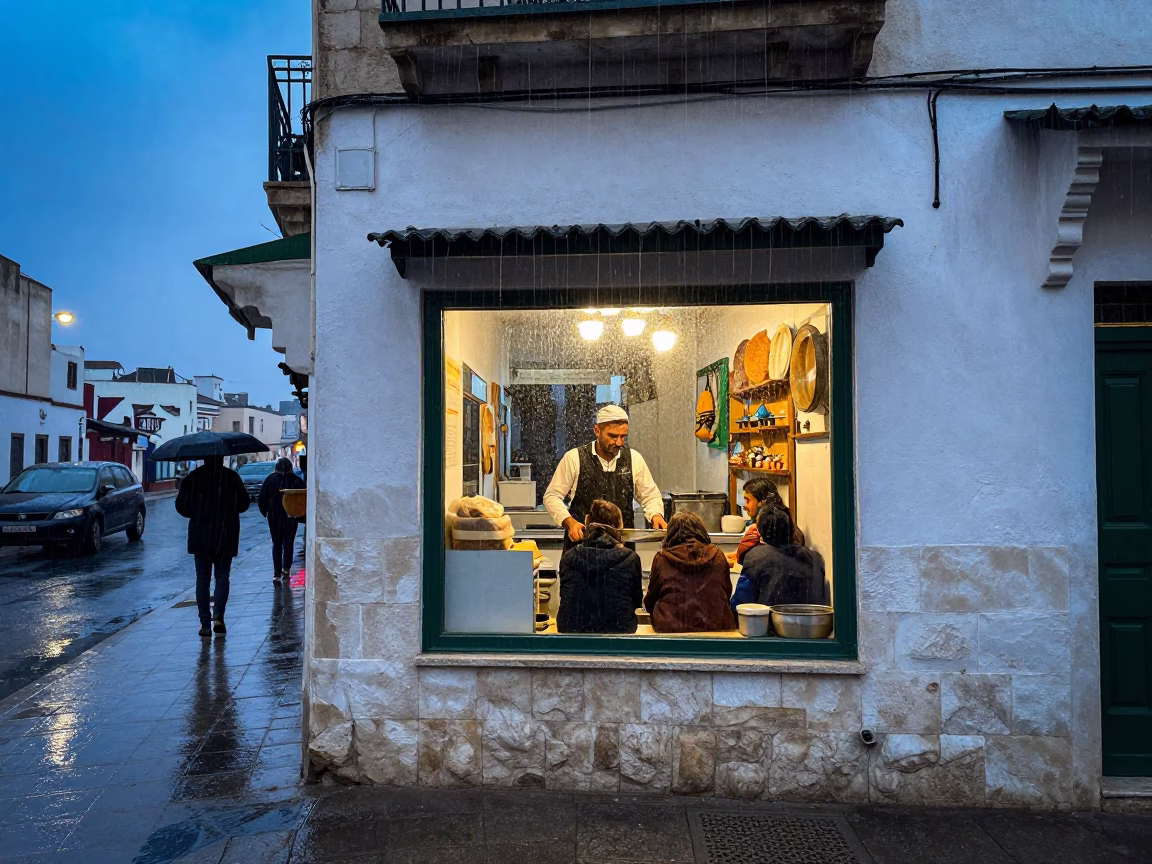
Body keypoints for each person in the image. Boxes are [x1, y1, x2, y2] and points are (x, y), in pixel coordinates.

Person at [543, 404, 667, 550]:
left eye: (623, 436)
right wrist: (569, 521)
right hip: (581, 550)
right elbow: (552, 496)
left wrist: (656, 515)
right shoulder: (574, 458)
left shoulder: (634, 459)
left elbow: (650, 495)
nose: (619, 442)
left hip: (622, 551)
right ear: (597, 430)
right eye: (613, 436)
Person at [175, 458, 251, 637]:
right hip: (225, 534)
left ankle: (205, 624)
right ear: (222, 458)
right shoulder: (231, 477)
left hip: (200, 536)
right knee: (222, 576)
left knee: (202, 579)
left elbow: (181, 506)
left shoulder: (193, 478)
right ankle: (218, 615)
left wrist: (197, 512)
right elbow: (244, 504)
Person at [556, 499, 643, 634]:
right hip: (620, 632)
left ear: (587, 524)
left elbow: (566, 597)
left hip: (572, 633)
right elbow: (637, 602)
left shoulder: (569, 557)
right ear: (618, 526)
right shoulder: (631, 558)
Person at [645, 510, 736, 633]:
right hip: (716, 627)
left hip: (670, 630)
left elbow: (651, 599)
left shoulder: (662, 558)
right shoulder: (718, 555)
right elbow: (726, 592)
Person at [731, 505, 827, 612]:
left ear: (760, 531)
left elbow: (741, 602)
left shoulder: (755, 556)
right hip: (810, 624)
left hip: (770, 624)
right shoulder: (814, 557)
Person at [258, 457, 306, 582]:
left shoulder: (270, 480)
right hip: (291, 516)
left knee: (277, 544)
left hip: (274, 516)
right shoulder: (296, 480)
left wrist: (265, 512)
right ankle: (286, 569)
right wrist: (301, 516)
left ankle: (276, 573)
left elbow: (262, 498)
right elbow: (304, 498)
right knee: (288, 543)